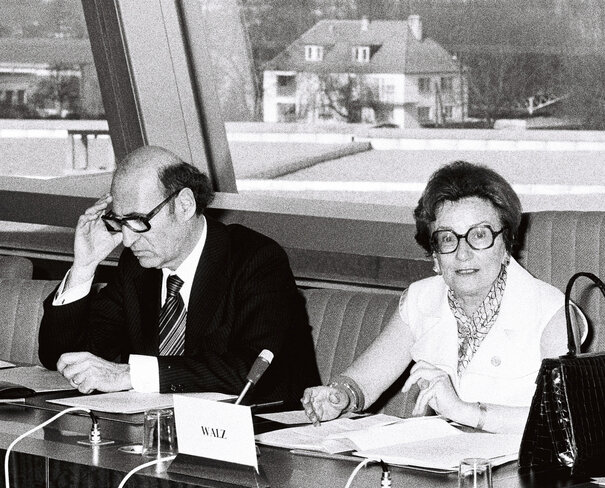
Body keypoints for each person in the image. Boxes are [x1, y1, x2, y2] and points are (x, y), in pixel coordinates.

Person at [302, 161, 585, 433]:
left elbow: (565, 418)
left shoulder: (553, 312)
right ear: (434, 254)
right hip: (447, 469)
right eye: (448, 238)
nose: (463, 254)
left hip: (527, 472)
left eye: (479, 235)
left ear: (506, 244)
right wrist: (339, 396)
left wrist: (466, 412)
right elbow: (363, 382)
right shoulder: (420, 299)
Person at [38, 145, 320, 406]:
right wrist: (84, 266)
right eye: (119, 222)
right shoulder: (136, 268)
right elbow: (63, 358)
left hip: (265, 432)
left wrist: (130, 375)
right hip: (161, 431)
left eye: (137, 221)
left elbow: (252, 369)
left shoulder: (256, 259)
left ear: (185, 205)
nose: (126, 240)